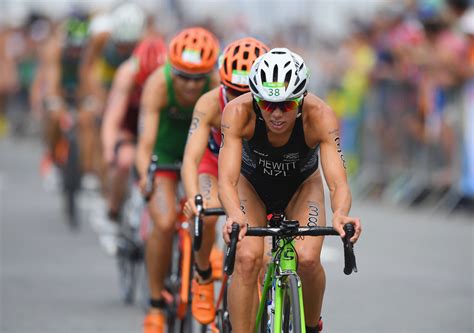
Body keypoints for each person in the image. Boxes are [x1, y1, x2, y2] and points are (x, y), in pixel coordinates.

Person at [218, 48, 362, 332]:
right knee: (247, 259)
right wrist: (234, 214)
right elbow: (227, 179)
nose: (277, 113)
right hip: (253, 187)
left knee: (307, 259)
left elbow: (337, 182)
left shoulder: (320, 115)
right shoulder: (237, 112)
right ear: (256, 99)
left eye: (287, 104)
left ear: (302, 98)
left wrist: (341, 214)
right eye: (268, 104)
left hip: (301, 187)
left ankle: (310, 326)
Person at [135, 27, 220, 333]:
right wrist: (146, 174)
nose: (190, 84)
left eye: (198, 77)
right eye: (183, 75)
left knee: (210, 210)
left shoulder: (216, 86)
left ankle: (204, 263)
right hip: (166, 156)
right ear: (172, 70)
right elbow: (144, 144)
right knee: (163, 220)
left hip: (201, 161)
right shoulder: (159, 83)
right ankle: (157, 305)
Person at [181, 37, 269, 324]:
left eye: (247, 93)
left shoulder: (273, 108)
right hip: (213, 164)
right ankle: (203, 275)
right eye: (232, 92)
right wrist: (194, 197)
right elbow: (191, 158)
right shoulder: (208, 102)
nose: (240, 100)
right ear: (221, 84)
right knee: (206, 213)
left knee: (262, 254)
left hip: (250, 173)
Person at [98, 36, 167, 255]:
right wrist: (110, 150)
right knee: (125, 160)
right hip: (130, 124)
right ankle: (115, 207)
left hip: (157, 128)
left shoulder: (168, 78)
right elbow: (113, 118)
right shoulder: (127, 73)